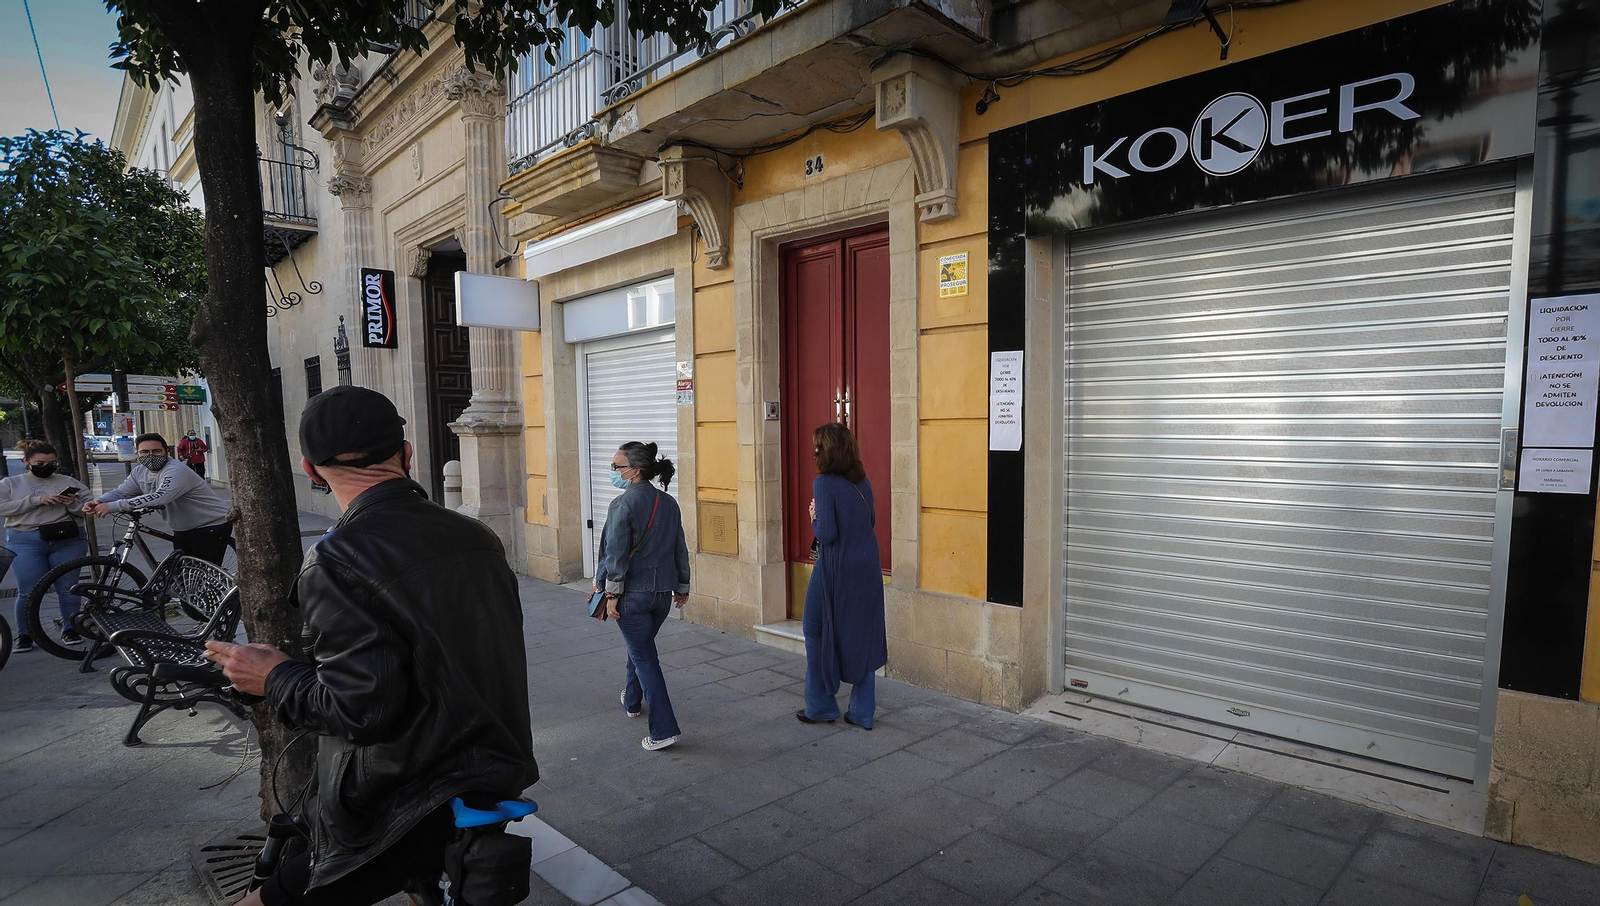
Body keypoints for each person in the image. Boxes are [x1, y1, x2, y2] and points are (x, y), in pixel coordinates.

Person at [204, 385, 538, 906]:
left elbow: (362, 710)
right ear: (408, 455)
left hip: (405, 802)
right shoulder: (477, 536)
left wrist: (272, 676)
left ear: (310, 471)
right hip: (493, 767)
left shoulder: (335, 559)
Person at [596, 441, 690, 752]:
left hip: (632, 597)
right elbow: (680, 548)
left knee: (645, 657)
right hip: (661, 597)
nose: (613, 472)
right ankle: (632, 700)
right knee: (640, 648)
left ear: (635, 472)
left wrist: (610, 593)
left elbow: (615, 554)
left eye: (617, 467)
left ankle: (663, 730)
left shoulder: (622, 505)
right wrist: (682, 586)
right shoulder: (669, 503)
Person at [797, 424, 887, 730]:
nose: (814, 452)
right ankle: (862, 712)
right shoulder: (862, 480)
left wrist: (814, 518)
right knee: (862, 632)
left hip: (836, 568)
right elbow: (870, 520)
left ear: (827, 451)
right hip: (867, 566)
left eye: (817, 447)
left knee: (814, 627)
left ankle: (820, 706)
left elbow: (828, 534)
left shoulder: (823, 483)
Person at [83, 433, 232, 565]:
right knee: (184, 576)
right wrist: (100, 501)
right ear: (138, 454)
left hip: (210, 526)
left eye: (156, 451)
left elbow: (160, 497)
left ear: (167, 452)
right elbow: (122, 492)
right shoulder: (139, 472)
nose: (151, 455)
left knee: (201, 578)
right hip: (183, 528)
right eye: (145, 452)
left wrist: (112, 507)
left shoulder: (176, 470)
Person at [0, 440, 90, 652]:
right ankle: (25, 634)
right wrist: (36, 500)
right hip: (26, 539)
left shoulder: (68, 481)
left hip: (67, 539)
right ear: (26, 461)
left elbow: (88, 508)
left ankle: (71, 628)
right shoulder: (10, 483)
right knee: (28, 591)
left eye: (51, 463)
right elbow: (2, 507)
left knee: (68, 588)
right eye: (39, 463)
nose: (46, 467)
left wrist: (73, 504)